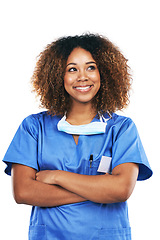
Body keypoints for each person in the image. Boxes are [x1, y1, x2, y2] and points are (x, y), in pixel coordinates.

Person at [3, 34, 152, 240]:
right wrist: (98, 190)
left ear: (104, 73)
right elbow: (23, 192)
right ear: (57, 75)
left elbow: (120, 190)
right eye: (72, 69)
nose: (82, 76)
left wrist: (57, 177)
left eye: (91, 67)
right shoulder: (34, 127)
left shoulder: (121, 129)